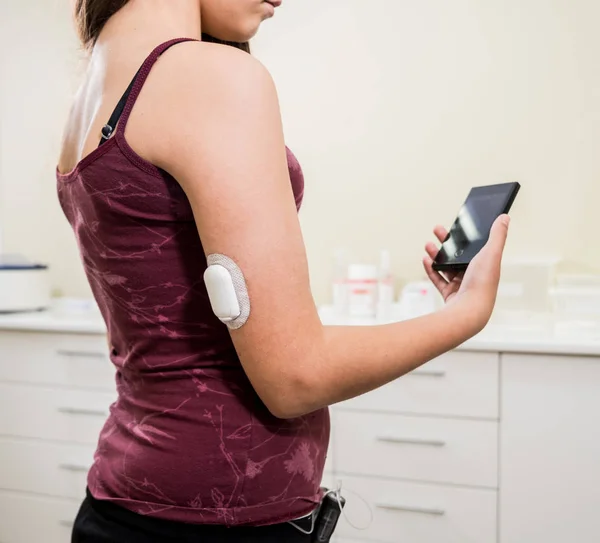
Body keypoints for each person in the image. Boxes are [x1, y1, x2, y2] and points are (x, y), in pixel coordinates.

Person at [56, 0, 510, 541]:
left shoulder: (96, 89)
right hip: (214, 525)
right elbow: (294, 378)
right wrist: (465, 315)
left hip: (122, 504)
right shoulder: (206, 76)